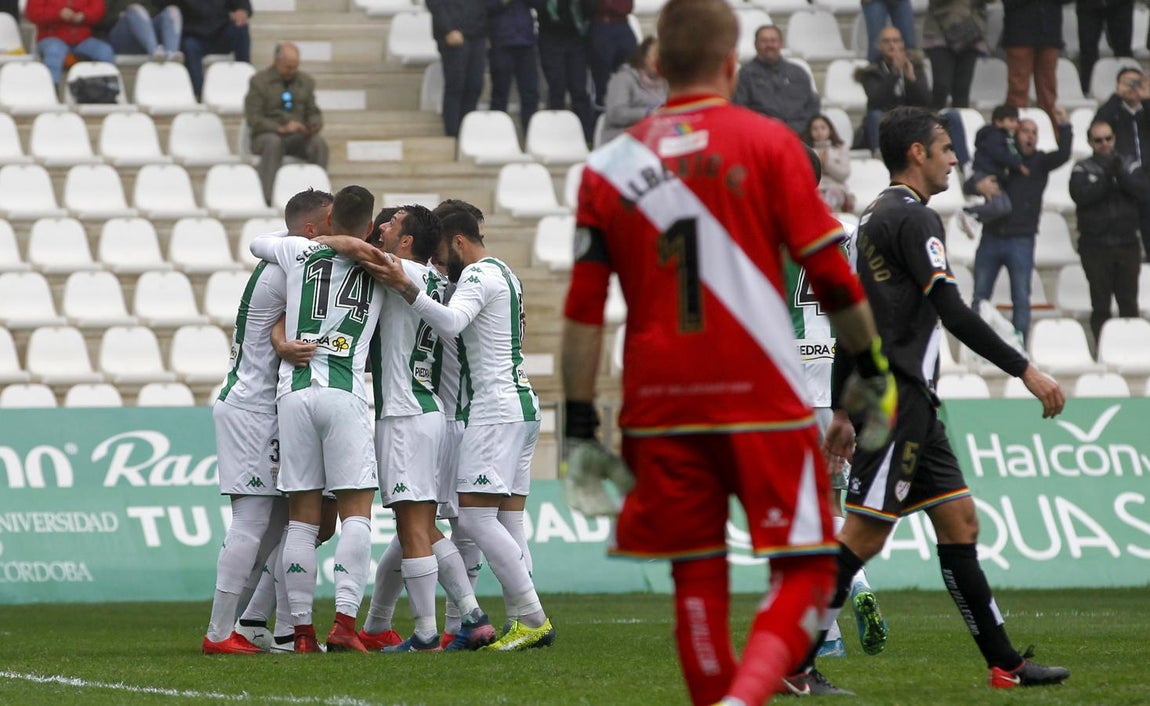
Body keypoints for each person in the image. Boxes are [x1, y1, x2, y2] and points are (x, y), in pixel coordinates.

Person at [562, 1, 897, 703]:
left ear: (656, 64)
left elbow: (584, 313)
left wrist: (581, 425)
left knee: (697, 577)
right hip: (762, 397)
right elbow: (833, 277)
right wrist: (870, 369)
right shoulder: (770, 144)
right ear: (732, 63)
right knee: (808, 568)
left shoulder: (606, 168)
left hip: (660, 405)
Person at [792, 105, 1069, 696]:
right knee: (863, 535)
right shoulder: (915, 219)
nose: (953, 159)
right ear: (917, 153)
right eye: (945, 148)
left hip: (905, 404)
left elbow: (852, 319)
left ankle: (1006, 665)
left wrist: (839, 408)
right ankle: (791, 662)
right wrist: (1025, 370)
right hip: (896, 401)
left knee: (959, 520)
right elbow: (952, 311)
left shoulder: (872, 218)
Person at [369, 208, 556, 653]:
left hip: (493, 409)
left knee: (470, 518)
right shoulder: (506, 273)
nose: (439, 260)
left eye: (441, 250)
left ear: (456, 241)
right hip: (521, 403)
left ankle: (530, 618)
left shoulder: (475, 275)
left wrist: (407, 287)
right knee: (507, 522)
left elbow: (451, 322)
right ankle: (515, 620)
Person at [248, 185, 383, 654]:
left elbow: (257, 243)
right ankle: (344, 623)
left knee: (303, 522)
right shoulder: (382, 263)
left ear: (328, 220)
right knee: (356, 515)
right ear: (369, 226)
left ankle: (301, 633)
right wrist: (351, 245)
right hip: (344, 392)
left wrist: (325, 242)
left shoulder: (296, 251)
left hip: (294, 393)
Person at [202, 189, 334, 655]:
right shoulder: (292, 263)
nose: (338, 228)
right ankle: (219, 633)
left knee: (283, 525)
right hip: (251, 407)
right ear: (311, 230)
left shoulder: (284, 253)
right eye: (331, 221)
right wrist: (281, 343)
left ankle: (249, 624)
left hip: (269, 408)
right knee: (253, 521)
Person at [971, 111, 1071, 343]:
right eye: (1025, 131)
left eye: (1034, 132)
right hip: (991, 235)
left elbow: (1064, 154)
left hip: (1022, 239)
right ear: (1016, 134)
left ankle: (1019, 348)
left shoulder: (1040, 162)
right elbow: (972, 181)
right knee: (980, 296)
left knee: (1021, 299)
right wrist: (977, 186)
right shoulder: (1000, 158)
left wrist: (1065, 126)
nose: (1030, 136)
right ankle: (975, 345)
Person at [1069, 120, 1148, 341]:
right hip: (1095, 246)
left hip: (1127, 244)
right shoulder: (1082, 168)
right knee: (1100, 304)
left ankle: (1131, 347)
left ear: (1114, 138)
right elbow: (1081, 196)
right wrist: (1106, 178)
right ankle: (1103, 349)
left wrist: (1120, 174)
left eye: (1108, 138)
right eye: (1098, 140)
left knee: (1129, 303)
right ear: (1090, 142)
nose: (1104, 144)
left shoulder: (1129, 164)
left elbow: (1142, 191)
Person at [243, 42, 328, 206]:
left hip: (297, 136)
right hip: (266, 135)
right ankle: (268, 198)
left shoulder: (306, 82)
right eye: (288, 67)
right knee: (273, 143)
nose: (292, 71)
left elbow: (313, 112)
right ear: (276, 62)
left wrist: (313, 125)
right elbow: (253, 118)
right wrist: (280, 128)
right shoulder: (259, 82)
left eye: (295, 67)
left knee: (318, 143)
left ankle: (318, 199)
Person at [1093, 66, 1150, 259]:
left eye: (1136, 82)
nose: (1133, 87)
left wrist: (1147, 99)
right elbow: (1097, 128)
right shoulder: (1113, 111)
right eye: (1128, 82)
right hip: (1123, 181)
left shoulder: (1146, 109)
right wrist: (1117, 97)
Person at [732, 25, 820, 135]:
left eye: (773, 40)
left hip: (799, 136)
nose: (769, 45)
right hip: (762, 136)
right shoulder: (744, 75)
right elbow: (740, 111)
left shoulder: (798, 73)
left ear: (781, 44)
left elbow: (812, 106)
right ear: (755, 45)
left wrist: (797, 128)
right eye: (764, 41)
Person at [856, 26, 931, 151]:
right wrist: (894, 74)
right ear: (879, 46)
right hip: (886, 119)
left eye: (896, 41)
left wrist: (911, 80)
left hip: (911, 118)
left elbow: (925, 101)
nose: (892, 45)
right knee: (875, 116)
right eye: (887, 41)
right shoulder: (871, 71)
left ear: (902, 44)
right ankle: (880, 155)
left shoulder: (915, 66)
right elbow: (876, 100)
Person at [159, 0, 251, 99]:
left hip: (221, 33)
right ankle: (199, 94)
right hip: (194, 36)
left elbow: (243, 4)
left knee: (241, 28)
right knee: (189, 46)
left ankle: (245, 79)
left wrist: (242, 11)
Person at [958, 104, 1025, 237]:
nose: (1015, 124)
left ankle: (975, 218)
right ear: (999, 122)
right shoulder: (995, 136)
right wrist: (1017, 165)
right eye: (1011, 120)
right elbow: (1000, 155)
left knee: (1005, 207)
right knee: (999, 207)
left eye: (1016, 121)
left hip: (994, 175)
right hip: (985, 174)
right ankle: (968, 212)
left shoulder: (1005, 137)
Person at [537, 0, 595, 142]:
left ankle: (586, 137)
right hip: (550, 37)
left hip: (576, 36)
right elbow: (538, 6)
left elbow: (590, 9)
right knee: (557, 89)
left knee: (579, 90)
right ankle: (556, 137)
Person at [427, 0, 486, 138]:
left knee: (475, 85)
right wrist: (447, 29)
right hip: (453, 35)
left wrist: (486, 31)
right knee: (456, 85)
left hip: (478, 34)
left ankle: (468, 132)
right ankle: (452, 133)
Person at [25, 0, 116, 84]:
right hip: (51, 38)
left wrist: (84, 15)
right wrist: (58, 13)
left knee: (105, 51)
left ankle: (109, 89)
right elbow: (32, 13)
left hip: (82, 39)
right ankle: (51, 89)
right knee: (55, 51)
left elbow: (99, 10)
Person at [486, 0, 543, 132]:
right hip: (501, 41)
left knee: (530, 93)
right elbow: (485, 7)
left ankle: (531, 133)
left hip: (526, 41)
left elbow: (539, 4)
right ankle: (496, 133)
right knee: (500, 92)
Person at [922, 0, 989, 111]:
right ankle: (932, 120)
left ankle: (960, 120)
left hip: (970, 33)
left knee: (962, 91)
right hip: (939, 33)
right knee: (941, 88)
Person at [1001, 0, 1061, 122]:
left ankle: (1049, 128)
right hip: (1019, 31)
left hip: (1050, 30)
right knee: (1018, 89)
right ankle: (1016, 128)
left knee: (1048, 90)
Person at [600, 36, 667, 144]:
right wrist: (648, 113)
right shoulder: (623, 79)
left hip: (653, 138)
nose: (658, 60)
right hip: (621, 139)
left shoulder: (665, 82)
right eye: (655, 55)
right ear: (643, 57)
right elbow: (615, 114)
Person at [587, 0, 636, 112]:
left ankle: (629, 109)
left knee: (632, 70)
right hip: (601, 24)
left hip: (623, 24)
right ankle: (601, 113)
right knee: (602, 77)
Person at [1076, 0, 1133, 96]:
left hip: (1121, 4)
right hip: (1088, 5)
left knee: (1123, 49)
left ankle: (1129, 89)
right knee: (1087, 49)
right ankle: (1087, 90)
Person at [95, 1, 182, 62]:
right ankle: (155, 53)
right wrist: (120, 15)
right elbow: (100, 18)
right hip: (121, 36)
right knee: (135, 9)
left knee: (173, 11)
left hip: (147, 32)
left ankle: (172, 54)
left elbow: (158, 10)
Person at [803, 114, 854, 213]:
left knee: (832, 194)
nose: (819, 132)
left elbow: (844, 174)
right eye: (815, 129)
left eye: (823, 128)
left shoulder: (840, 148)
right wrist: (817, 162)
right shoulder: (806, 150)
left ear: (830, 130)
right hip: (816, 189)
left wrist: (827, 162)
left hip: (837, 189)